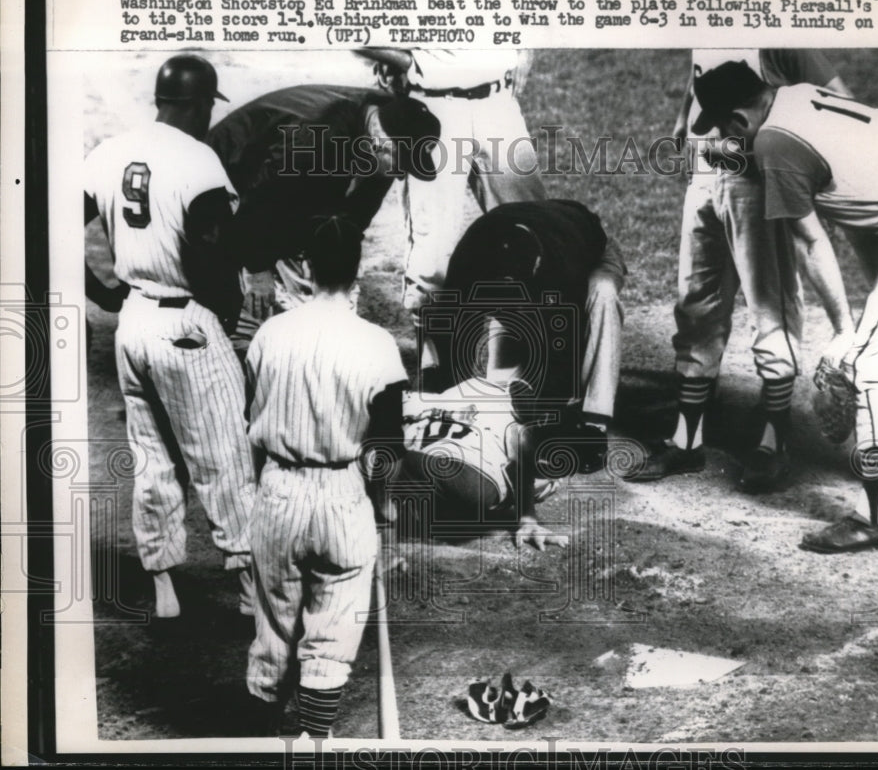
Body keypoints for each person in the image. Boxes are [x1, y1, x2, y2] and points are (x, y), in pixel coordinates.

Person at [689, 60, 878, 553]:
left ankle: (873, 520)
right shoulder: (796, 94)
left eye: (726, 129)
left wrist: (844, 333)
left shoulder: (774, 143)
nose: (728, 139)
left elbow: (812, 243)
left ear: (738, 121)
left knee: (868, 364)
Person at [625, 50, 850, 492]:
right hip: (704, 174)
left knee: (772, 308)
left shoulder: (781, 37)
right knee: (696, 305)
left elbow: (840, 102)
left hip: (758, 182)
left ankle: (772, 441)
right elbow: (703, 81)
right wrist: (684, 120)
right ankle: (686, 440)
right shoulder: (705, 22)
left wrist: (795, 167)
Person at [83, 54, 255, 619]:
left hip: (131, 323)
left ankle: (163, 592)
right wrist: (226, 314)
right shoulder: (197, 159)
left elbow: (57, 232)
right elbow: (211, 249)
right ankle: (254, 596)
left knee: (152, 460)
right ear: (201, 104)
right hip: (186, 321)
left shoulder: (108, 151)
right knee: (224, 460)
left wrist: (105, 294)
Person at [243, 217, 408, 736]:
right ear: (356, 271)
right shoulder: (378, 344)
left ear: (307, 267)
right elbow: (387, 446)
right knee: (334, 631)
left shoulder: (270, 334)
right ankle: (318, 741)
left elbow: (255, 414)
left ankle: (261, 739)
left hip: (278, 490)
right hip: (343, 495)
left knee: (272, 628)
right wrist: (383, 503)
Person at [357, 48, 548, 387]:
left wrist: (527, 49)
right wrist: (413, 62)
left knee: (531, 232)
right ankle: (436, 379)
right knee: (432, 255)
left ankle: (511, 376)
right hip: (434, 108)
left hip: (497, 103)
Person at [205, 84, 441, 343]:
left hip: (283, 180)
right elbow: (261, 197)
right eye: (401, 164)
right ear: (379, 144)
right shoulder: (321, 139)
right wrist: (257, 268)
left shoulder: (389, 120)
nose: (400, 174)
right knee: (232, 302)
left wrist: (336, 254)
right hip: (226, 175)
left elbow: (360, 209)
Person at [433, 199, 627, 474]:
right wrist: (448, 403)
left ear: (535, 266)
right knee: (502, 397)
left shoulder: (563, 267)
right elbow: (449, 335)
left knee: (602, 296)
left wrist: (547, 425)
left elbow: (562, 355)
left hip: (590, 250)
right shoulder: (470, 256)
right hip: (536, 246)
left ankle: (594, 424)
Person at [400, 377, 567, 551]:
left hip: (443, 455)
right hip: (469, 476)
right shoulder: (514, 423)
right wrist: (528, 517)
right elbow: (525, 457)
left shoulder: (484, 391)